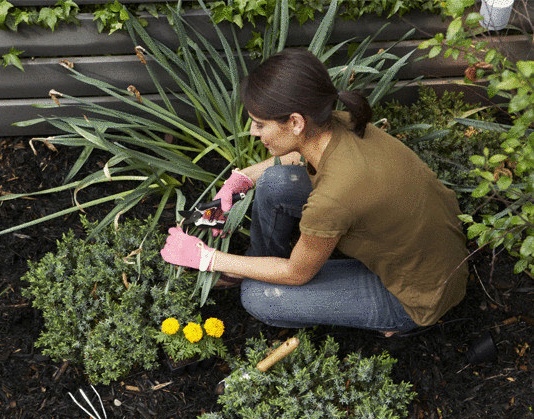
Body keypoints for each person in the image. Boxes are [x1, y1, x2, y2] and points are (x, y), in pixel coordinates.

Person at [160, 48, 469, 335]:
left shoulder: (332, 199)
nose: (253, 132)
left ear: (295, 122)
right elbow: (298, 155)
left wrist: (208, 259)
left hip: (416, 295)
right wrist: (241, 179)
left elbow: (297, 274)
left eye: (259, 124)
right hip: (433, 248)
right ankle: (261, 263)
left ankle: (399, 323)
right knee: (274, 182)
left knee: (259, 296)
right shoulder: (338, 123)